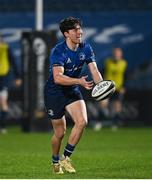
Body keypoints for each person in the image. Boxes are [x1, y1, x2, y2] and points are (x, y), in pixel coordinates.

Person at [44, 17, 103, 174]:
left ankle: (65, 158)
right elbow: (58, 78)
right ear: (66, 34)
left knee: (82, 121)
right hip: (54, 92)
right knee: (60, 133)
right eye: (75, 30)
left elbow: (95, 71)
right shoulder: (58, 51)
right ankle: (55, 160)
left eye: (80, 29)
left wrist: (103, 86)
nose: (80, 32)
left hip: (71, 90)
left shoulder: (86, 48)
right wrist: (79, 81)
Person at [97, 47, 127, 130]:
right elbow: (102, 72)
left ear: (121, 55)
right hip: (108, 87)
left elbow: (126, 75)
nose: (116, 55)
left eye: (118, 53)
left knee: (117, 106)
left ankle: (115, 123)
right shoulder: (108, 62)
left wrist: (124, 87)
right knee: (102, 104)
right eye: (115, 53)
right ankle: (99, 122)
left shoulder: (124, 63)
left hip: (118, 88)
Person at [0, 34, 22, 134]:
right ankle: (3, 127)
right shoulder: (6, 47)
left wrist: (17, 76)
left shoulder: (5, 48)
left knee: (3, 102)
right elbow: (13, 61)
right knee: (3, 102)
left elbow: (13, 62)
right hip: (4, 78)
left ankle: (3, 126)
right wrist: (17, 76)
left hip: (3, 78)